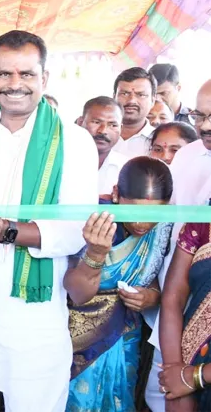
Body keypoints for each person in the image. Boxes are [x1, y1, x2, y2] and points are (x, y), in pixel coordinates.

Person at [0, 30, 98, 411]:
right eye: (5, 74)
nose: (15, 84)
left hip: (34, 312)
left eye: (26, 74)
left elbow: (76, 230)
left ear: (45, 78)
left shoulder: (74, 141)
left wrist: (8, 231)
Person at [64, 156, 173, 412]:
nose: (142, 224)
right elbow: (75, 291)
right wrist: (96, 254)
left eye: (154, 214)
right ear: (116, 194)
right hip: (75, 336)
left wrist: (151, 296)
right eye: (134, 211)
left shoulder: (164, 226)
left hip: (124, 334)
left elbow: (154, 277)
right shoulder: (92, 221)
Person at [144, 79, 211, 412]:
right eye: (200, 116)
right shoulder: (188, 159)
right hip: (180, 331)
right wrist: (178, 377)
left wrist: (194, 377)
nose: (205, 126)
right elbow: (175, 291)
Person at [159, 218, 211, 412]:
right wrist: (176, 376)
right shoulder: (203, 220)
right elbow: (172, 299)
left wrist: (196, 377)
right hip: (192, 363)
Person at [80, 96, 129, 198]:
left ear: (121, 128)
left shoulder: (127, 168)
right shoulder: (60, 160)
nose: (103, 131)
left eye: (113, 125)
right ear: (80, 122)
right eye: (96, 122)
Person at [113, 67, 157, 158]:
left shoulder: (158, 140)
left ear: (152, 100)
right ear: (114, 97)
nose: (131, 101)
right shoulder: (97, 134)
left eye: (141, 95)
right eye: (124, 94)